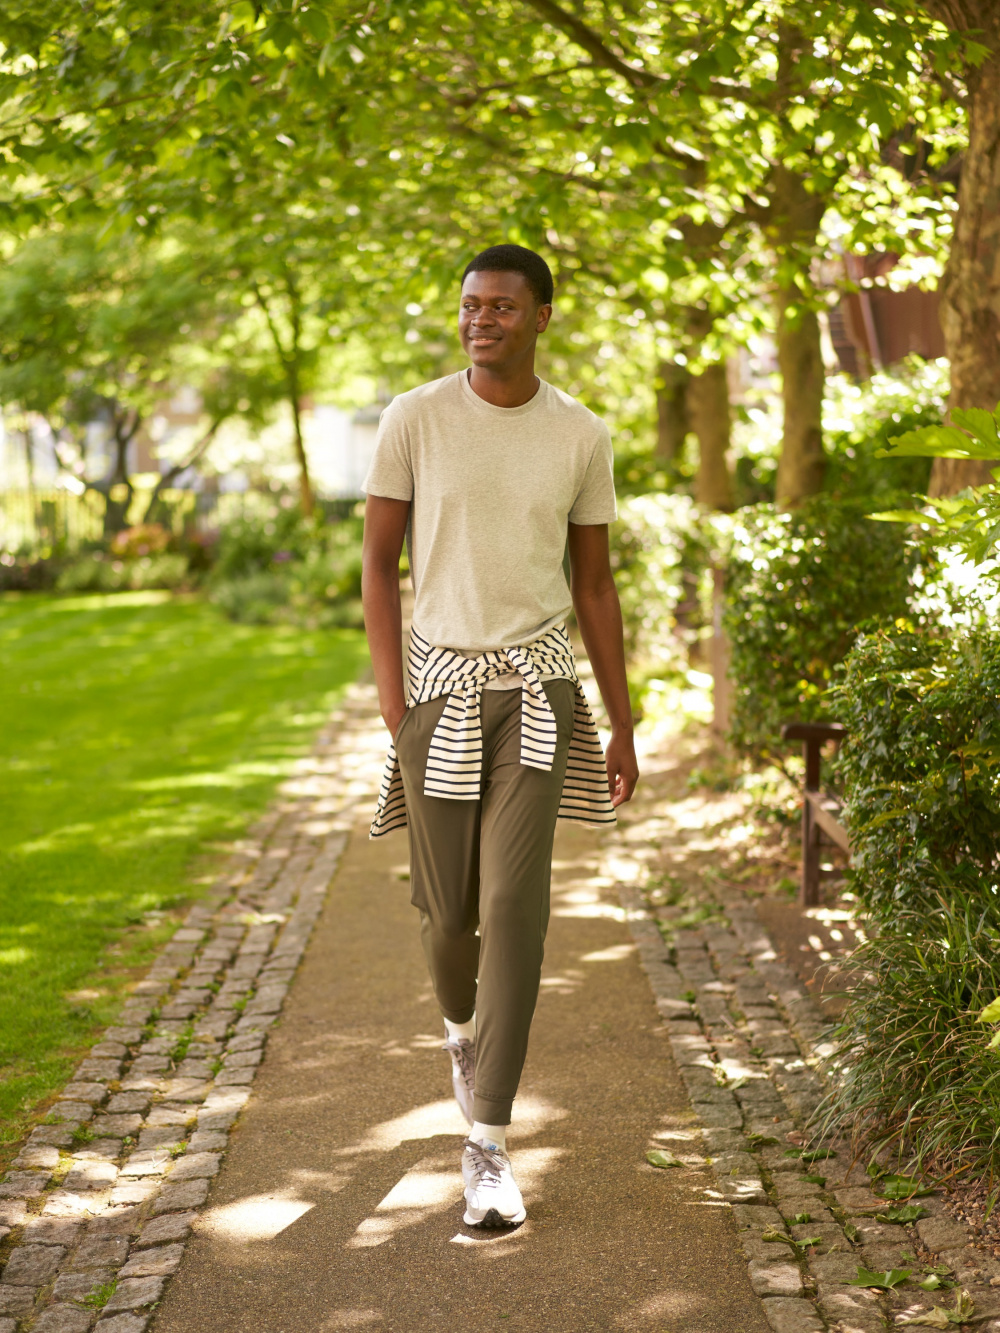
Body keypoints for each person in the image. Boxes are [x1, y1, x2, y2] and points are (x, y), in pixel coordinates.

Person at [361, 243, 638, 1228]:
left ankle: (486, 1144)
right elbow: (377, 567)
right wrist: (396, 708)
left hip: (540, 696)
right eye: (471, 305)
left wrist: (621, 717)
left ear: (542, 317)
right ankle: (461, 1034)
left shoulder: (580, 435)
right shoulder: (414, 419)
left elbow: (595, 587)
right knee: (450, 924)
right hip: (437, 694)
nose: (481, 320)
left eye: (502, 307)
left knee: (515, 902)